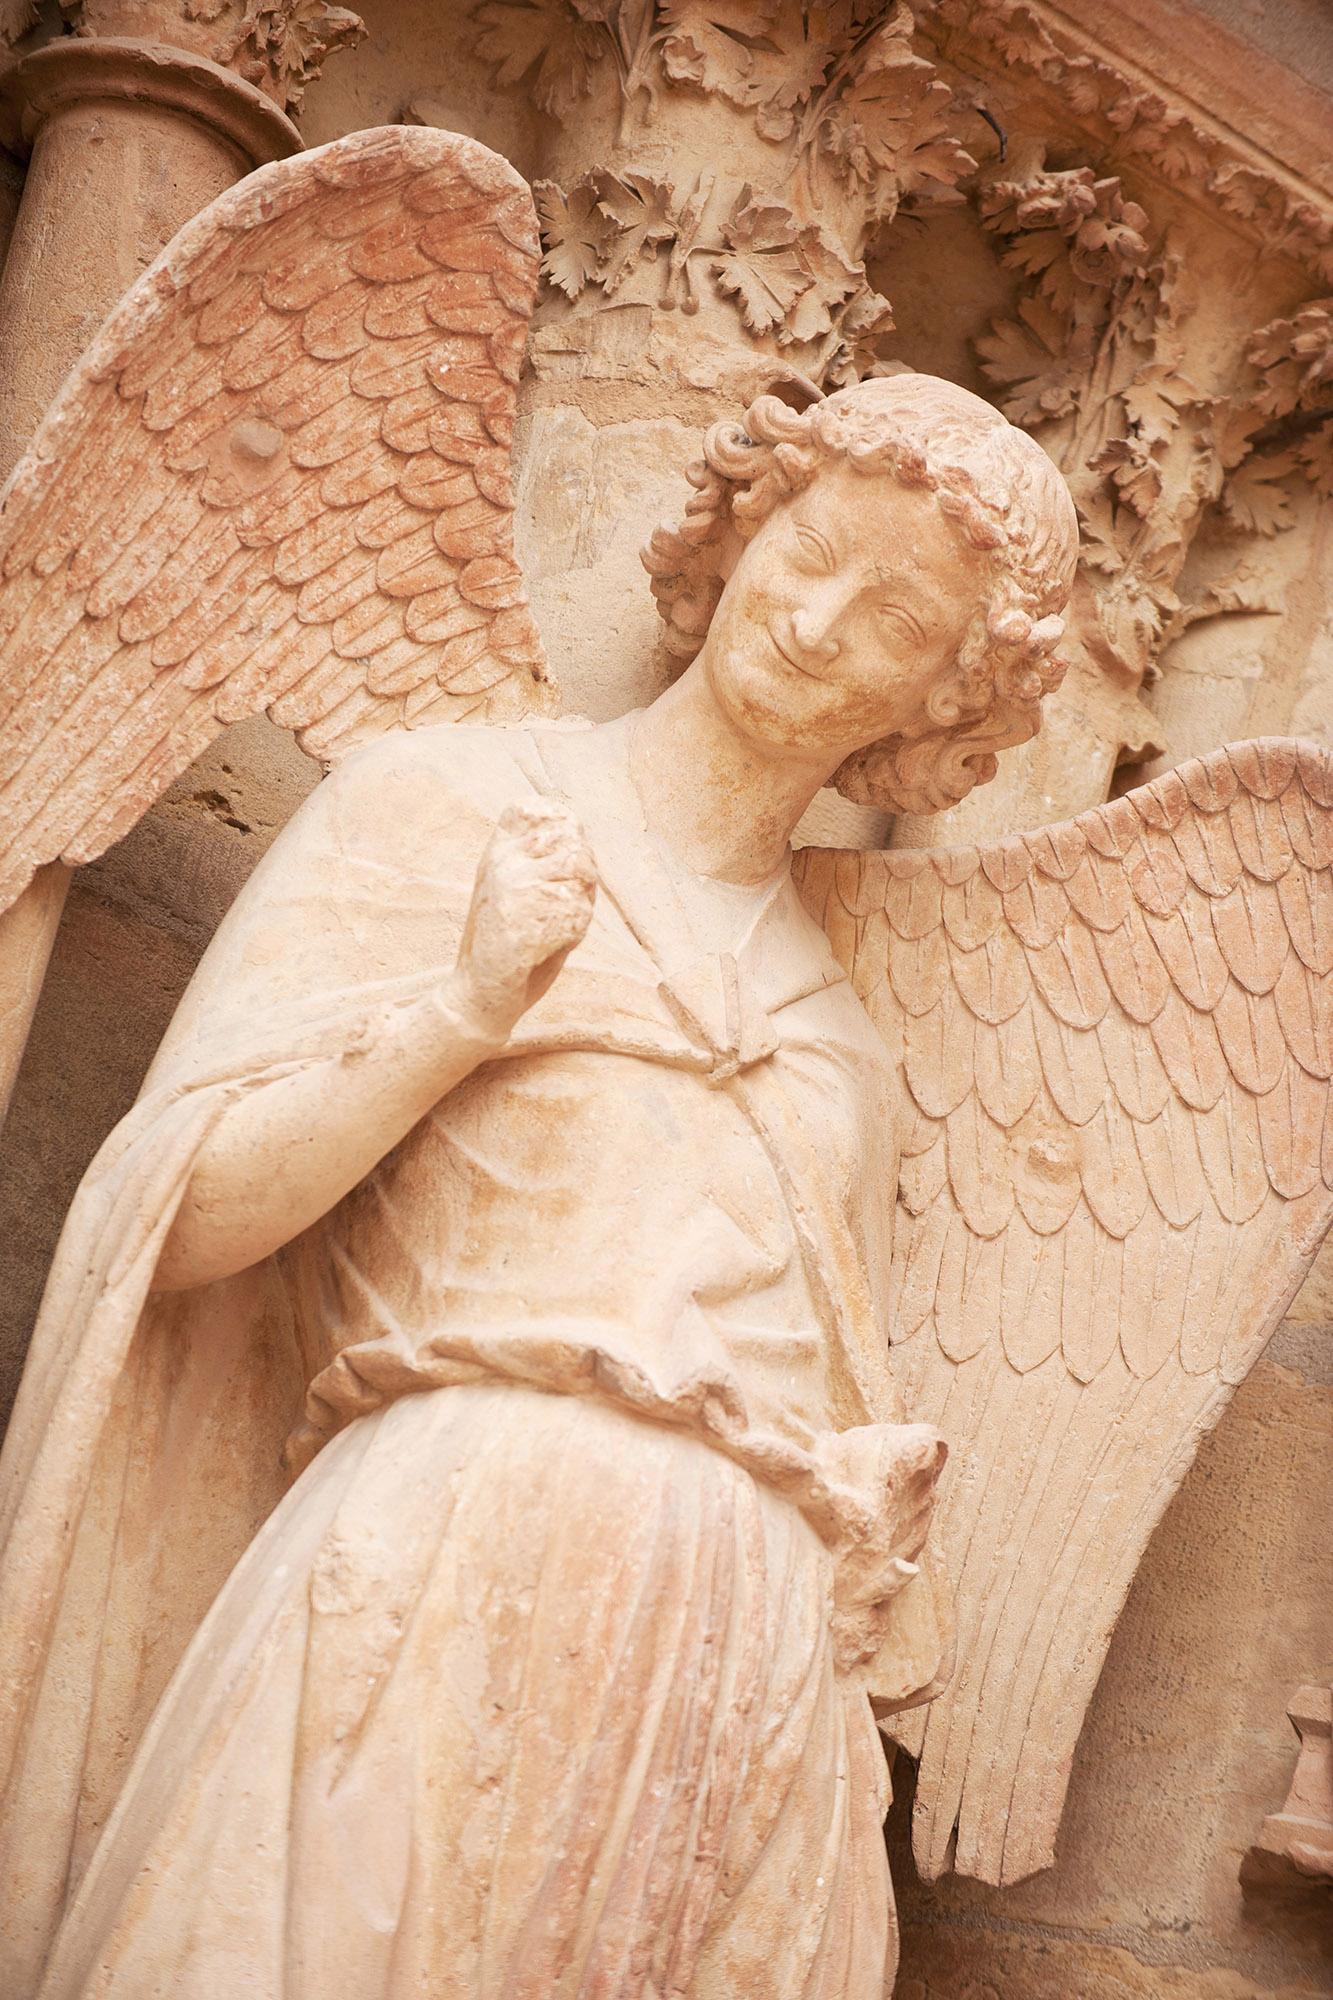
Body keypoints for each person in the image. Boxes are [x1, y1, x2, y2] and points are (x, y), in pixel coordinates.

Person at [8, 375, 1077, 1998]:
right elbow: (185, 1220)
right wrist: (462, 1009)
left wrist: (860, 1514)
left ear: (938, 708)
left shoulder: (844, 1049)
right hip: (436, 1562)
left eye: (895, 618)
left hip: (737, 1667)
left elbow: (848, 1395)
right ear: (741, 526)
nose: (813, 620)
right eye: (810, 547)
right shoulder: (446, 807)